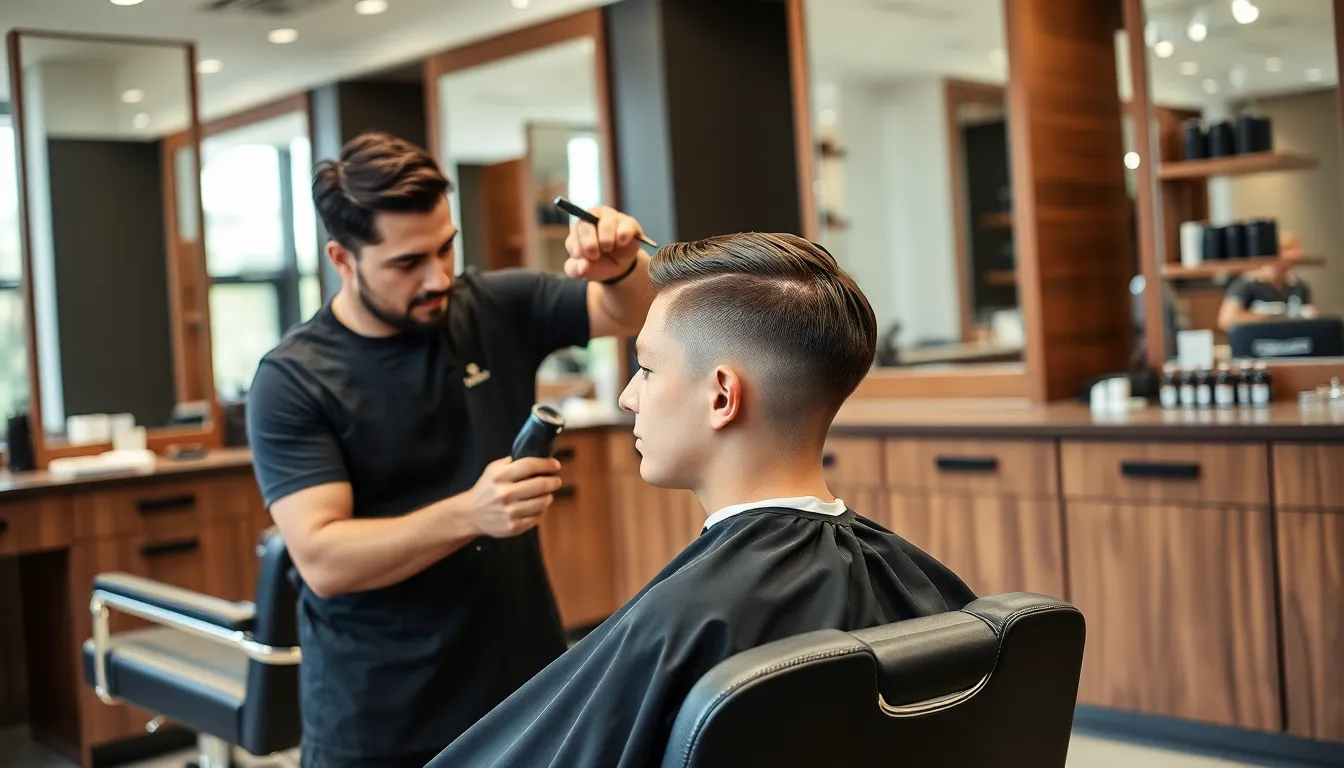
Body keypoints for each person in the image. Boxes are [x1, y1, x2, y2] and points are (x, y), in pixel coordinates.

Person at [428, 232, 976, 768]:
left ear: (721, 395)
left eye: (645, 367)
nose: (627, 396)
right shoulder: (927, 587)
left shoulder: (681, 623)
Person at [245, 131, 655, 768]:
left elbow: (625, 311)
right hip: (381, 719)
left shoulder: (492, 307)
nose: (438, 277)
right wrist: (470, 514)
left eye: (445, 249)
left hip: (522, 693)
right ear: (342, 258)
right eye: (408, 263)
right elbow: (324, 558)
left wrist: (622, 266)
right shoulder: (294, 379)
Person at [1218, 231, 1318, 331]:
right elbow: (1227, 321)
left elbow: (1310, 316)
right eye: (1286, 249)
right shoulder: (1246, 284)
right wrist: (1270, 316)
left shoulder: (1299, 286)